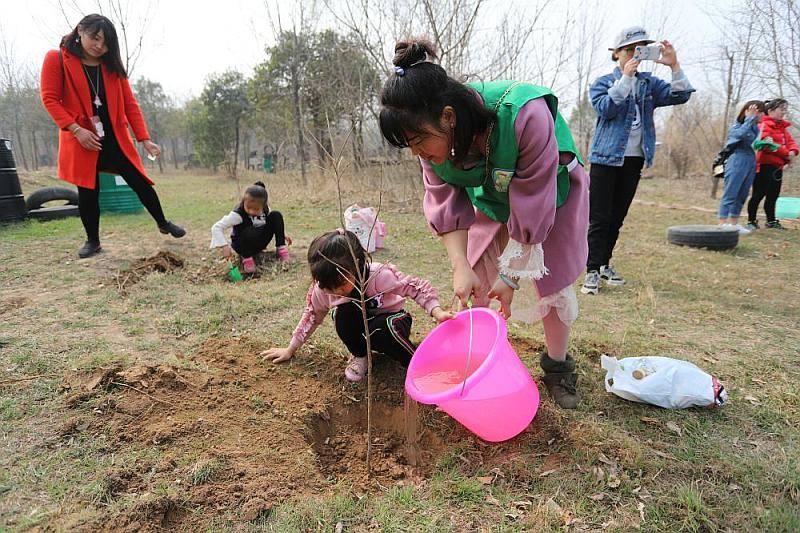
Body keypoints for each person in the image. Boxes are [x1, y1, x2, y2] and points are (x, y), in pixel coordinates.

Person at [378, 39, 589, 408]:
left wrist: (511, 277)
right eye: (409, 146)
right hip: (494, 198)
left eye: (419, 141)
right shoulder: (433, 146)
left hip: (549, 192)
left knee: (550, 281)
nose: (417, 154)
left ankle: (558, 367)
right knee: (475, 278)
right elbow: (445, 204)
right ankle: (476, 369)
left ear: (448, 116)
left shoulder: (524, 115)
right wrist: (460, 265)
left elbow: (535, 202)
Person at [40, 14, 185, 258]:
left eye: (106, 43)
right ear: (80, 31)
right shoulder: (57, 59)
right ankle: (93, 241)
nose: (99, 46)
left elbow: (130, 104)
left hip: (114, 139)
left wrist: (144, 139)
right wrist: (76, 130)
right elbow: (50, 99)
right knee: (88, 191)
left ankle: (162, 222)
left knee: (140, 182)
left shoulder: (111, 67)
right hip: (82, 138)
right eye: (95, 38)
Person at [584, 26, 694, 294]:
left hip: (633, 160)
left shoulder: (648, 84)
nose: (636, 52)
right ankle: (591, 271)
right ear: (617, 54)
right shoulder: (603, 82)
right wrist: (624, 79)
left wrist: (674, 65)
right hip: (604, 159)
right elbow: (606, 109)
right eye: (631, 48)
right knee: (599, 218)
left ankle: (605, 264)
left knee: (617, 218)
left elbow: (681, 95)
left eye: (641, 47)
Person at [261, 229, 453, 381]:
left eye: (340, 283)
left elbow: (415, 287)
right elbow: (312, 316)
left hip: (392, 321)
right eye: (329, 287)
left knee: (383, 328)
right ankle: (360, 355)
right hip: (359, 327)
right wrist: (290, 349)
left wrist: (436, 311)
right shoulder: (323, 288)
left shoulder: (379, 275)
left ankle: (417, 365)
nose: (334, 290)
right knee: (342, 313)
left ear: (357, 266)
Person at [210, 181, 291, 271]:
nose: (251, 211)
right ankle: (247, 259)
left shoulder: (266, 209)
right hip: (243, 245)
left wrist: (281, 234)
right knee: (249, 230)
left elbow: (271, 222)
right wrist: (224, 246)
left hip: (259, 242)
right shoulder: (238, 214)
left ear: (263, 206)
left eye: (256, 209)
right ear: (244, 201)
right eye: (248, 207)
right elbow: (216, 227)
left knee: (276, 215)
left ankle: (281, 251)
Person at [746, 98, 798, 230]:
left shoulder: (783, 128)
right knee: (759, 193)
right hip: (764, 165)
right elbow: (767, 145)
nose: (783, 112)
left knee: (773, 194)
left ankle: (771, 221)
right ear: (770, 110)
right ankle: (751, 220)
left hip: (778, 167)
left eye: (785, 110)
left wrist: (793, 151)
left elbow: (791, 142)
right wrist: (787, 154)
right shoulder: (763, 125)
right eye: (781, 109)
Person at [718, 101, 765, 234]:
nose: (762, 115)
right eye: (759, 112)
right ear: (748, 111)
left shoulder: (756, 128)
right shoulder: (737, 126)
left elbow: (754, 143)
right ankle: (722, 223)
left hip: (751, 160)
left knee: (742, 194)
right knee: (731, 192)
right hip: (737, 159)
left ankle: (734, 223)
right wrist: (749, 118)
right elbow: (738, 136)